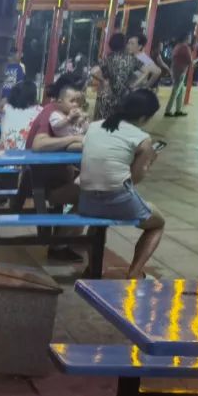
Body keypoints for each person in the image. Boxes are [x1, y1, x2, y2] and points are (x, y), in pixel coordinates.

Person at [79, 89, 165, 278]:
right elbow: (134, 179)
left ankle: (93, 268)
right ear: (143, 117)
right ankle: (134, 273)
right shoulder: (142, 139)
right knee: (157, 223)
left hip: (86, 200)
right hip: (117, 199)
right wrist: (148, 161)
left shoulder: (94, 126)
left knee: (98, 221)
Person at [27, 76, 87, 262]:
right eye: (73, 100)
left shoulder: (64, 114)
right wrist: (74, 139)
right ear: (61, 100)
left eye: (79, 100)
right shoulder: (51, 113)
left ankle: (68, 239)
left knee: (92, 193)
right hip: (40, 182)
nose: (77, 104)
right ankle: (59, 245)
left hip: (51, 177)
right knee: (90, 197)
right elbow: (38, 144)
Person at [90, 32, 146, 121]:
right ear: (124, 45)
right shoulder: (132, 59)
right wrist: (134, 85)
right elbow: (146, 72)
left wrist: (103, 81)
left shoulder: (108, 58)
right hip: (123, 98)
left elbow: (93, 71)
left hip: (106, 97)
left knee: (100, 124)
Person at [164, 31, 198, 117]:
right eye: (190, 37)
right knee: (175, 91)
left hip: (176, 70)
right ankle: (168, 111)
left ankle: (178, 110)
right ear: (186, 38)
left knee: (180, 92)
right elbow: (190, 61)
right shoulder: (185, 47)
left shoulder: (178, 46)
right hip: (180, 72)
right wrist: (196, 61)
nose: (191, 39)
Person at [0, 80, 41, 151]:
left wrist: (7, 99)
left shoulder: (5, 108)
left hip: (5, 154)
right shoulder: (40, 111)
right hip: (28, 154)